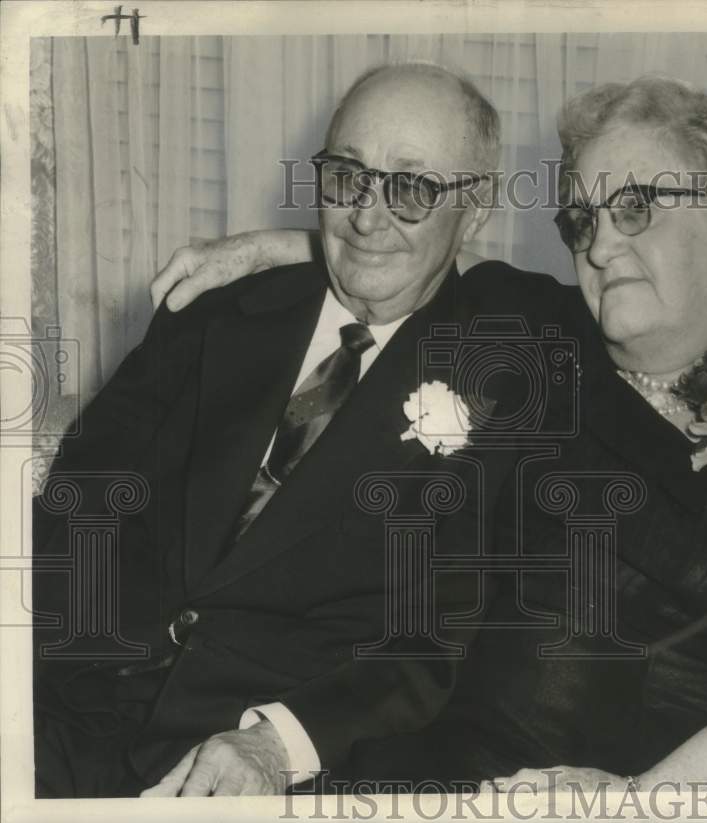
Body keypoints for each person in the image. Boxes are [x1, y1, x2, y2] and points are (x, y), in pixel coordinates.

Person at [151, 76, 707, 791]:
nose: (600, 246)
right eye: (581, 220)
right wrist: (262, 250)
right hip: (402, 774)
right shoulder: (543, 336)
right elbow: (408, 251)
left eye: (635, 207)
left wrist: (634, 800)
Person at [32, 62, 570, 798]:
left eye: (411, 188)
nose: (366, 217)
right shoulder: (217, 309)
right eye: (346, 176)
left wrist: (273, 746)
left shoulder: (503, 377)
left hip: (241, 759)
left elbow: (431, 643)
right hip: (56, 701)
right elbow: (81, 491)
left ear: (475, 212)